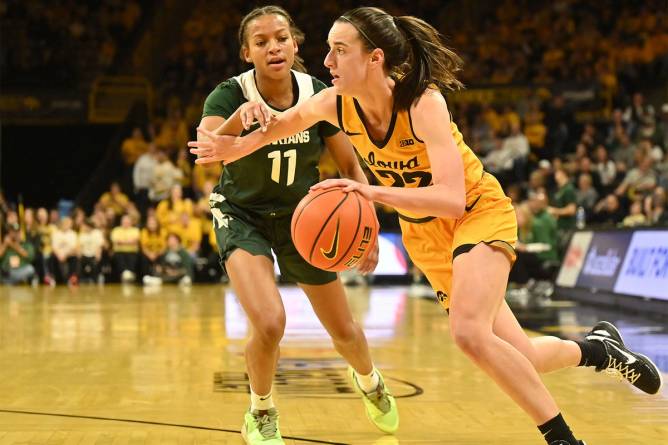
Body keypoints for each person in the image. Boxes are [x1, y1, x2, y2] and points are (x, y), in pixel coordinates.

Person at [189, 7, 662, 445]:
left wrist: (370, 194)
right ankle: (600, 349)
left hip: (475, 212)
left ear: (375, 58)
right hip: (424, 235)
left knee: (469, 333)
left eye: (339, 49)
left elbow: (451, 198)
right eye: (328, 48)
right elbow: (274, 127)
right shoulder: (334, 104)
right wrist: (231, 142)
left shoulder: (422, 103)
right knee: (523, 355)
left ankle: (563, 440)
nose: (326, 59)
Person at [194, 6, 398, 445]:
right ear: (247, 52)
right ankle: (261, 412)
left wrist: (370, 229)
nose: (274, 47)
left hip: (303, 218)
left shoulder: (319, 93)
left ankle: (369, 380)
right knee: (269, 323)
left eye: (281, 38)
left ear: (295, 43)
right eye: (262, 42)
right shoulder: (229, 94)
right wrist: (240, 119)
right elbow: (208, 147)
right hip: (241, 214)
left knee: (344, 331)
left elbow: (350, 165)